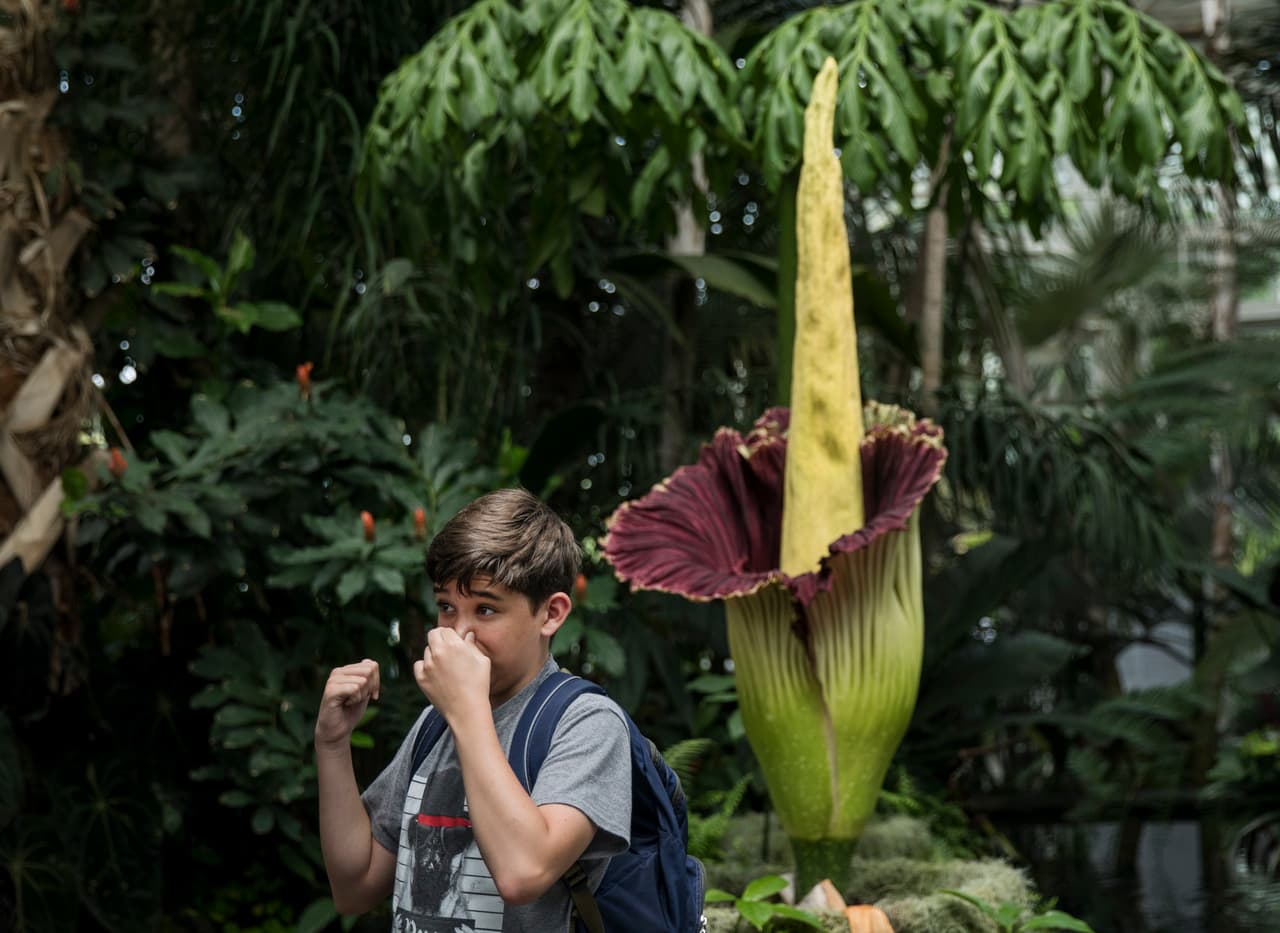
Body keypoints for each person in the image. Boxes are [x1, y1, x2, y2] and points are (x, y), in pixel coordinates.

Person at [314, 488, 632, 932]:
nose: (459, 635)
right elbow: (355, 887)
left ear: (551, 614)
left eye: (485, 609)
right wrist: (332, 746)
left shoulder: (587, 723)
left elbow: (524, 874)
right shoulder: (436, 723)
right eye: (446, 607)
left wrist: (465, 711)